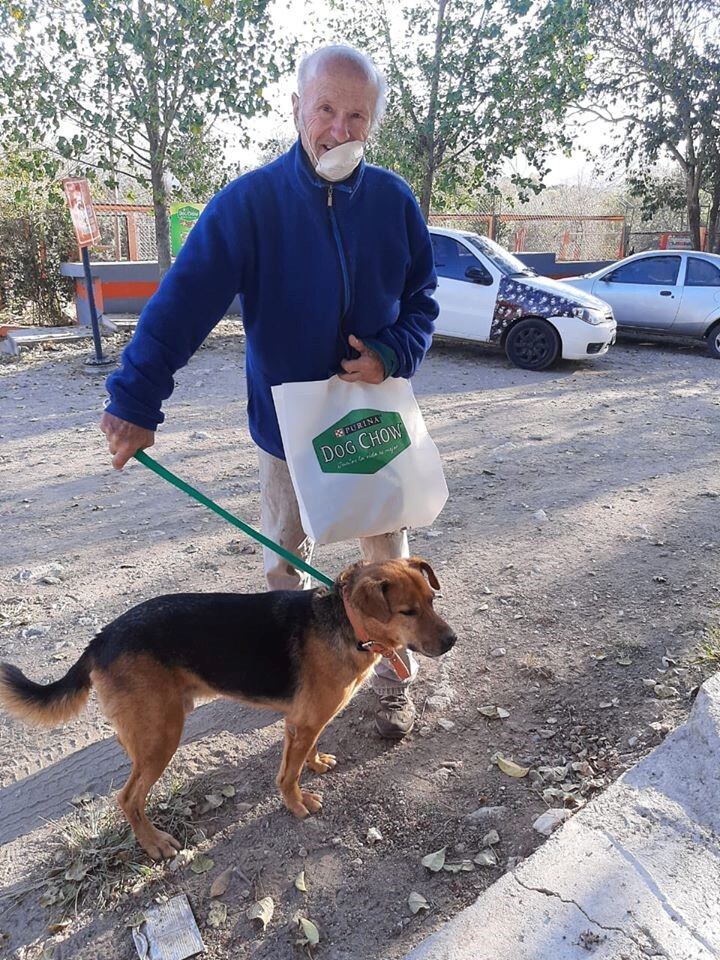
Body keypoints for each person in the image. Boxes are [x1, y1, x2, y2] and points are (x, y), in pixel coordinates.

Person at [100, 44, 439, 739]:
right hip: (286, 432)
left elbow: (424, 304)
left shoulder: (395, 203)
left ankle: (392, 683)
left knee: (390, 568)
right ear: (296, 108)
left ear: (372, 122)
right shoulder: (249, 205)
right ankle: (292, 678)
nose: (338, 129)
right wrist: (135, 400)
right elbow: (183, 301)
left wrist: (390, 351)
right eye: (325, 110)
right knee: (284, 554)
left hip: (374, 425)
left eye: (356, 115)